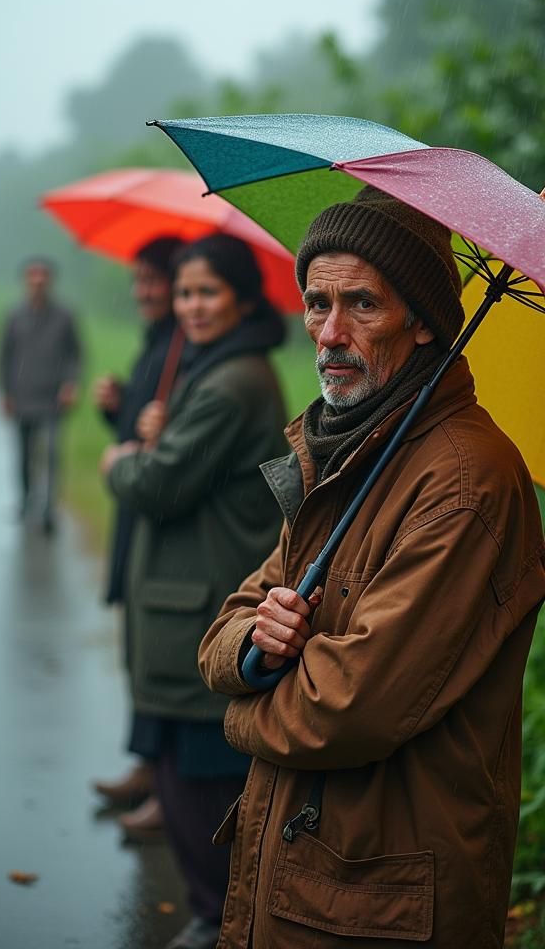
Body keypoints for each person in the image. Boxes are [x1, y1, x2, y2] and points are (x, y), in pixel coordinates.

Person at [198, 187, 545, 949]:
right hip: (303, 874)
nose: (330, 333)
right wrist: (257, 648)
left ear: (424, 322)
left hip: (379, 905)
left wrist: (236, 713)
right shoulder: (348, 450)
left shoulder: (464, 482)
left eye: (363, 304)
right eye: (316, 302)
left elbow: (349, 708)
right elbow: (227, 625)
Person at [101, 234, 288, 949]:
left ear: (242, 297)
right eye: (184, 292)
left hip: (199, 601)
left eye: (208, 291)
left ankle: (221, 918)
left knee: (201, 776)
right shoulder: (216, 373)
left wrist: (123, 458)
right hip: (184, 596)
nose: (192, 305)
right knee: (184, 772)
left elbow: (161, 483)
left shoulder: (234, 379)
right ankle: (219, 913)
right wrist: (156, 426)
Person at [92, 237, 188, 836]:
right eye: (142, 281)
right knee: (136, 643)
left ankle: (160, 777)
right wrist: (119, 407)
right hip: (138, 509)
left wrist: (156, 425)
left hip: (158, 516)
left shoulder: (191, 353)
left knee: (154, 648)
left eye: (157, 281)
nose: (145, 292)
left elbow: (166, 446)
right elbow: (139, 430)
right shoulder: (160, 345)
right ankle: (146, 763)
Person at [0, 256, 82, 535]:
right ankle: (26, 502)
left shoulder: (65, 316)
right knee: (23, 455)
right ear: (25, 281)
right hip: (22, 397)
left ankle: (48, 510)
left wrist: (71, 383)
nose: (37, 282)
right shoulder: (14, 315)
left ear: (50, 281)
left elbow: (75, 354)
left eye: (42, 277)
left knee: (50, 455)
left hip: (52, 399)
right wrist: (5, 393)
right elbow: (5, 355)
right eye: (32, 277)